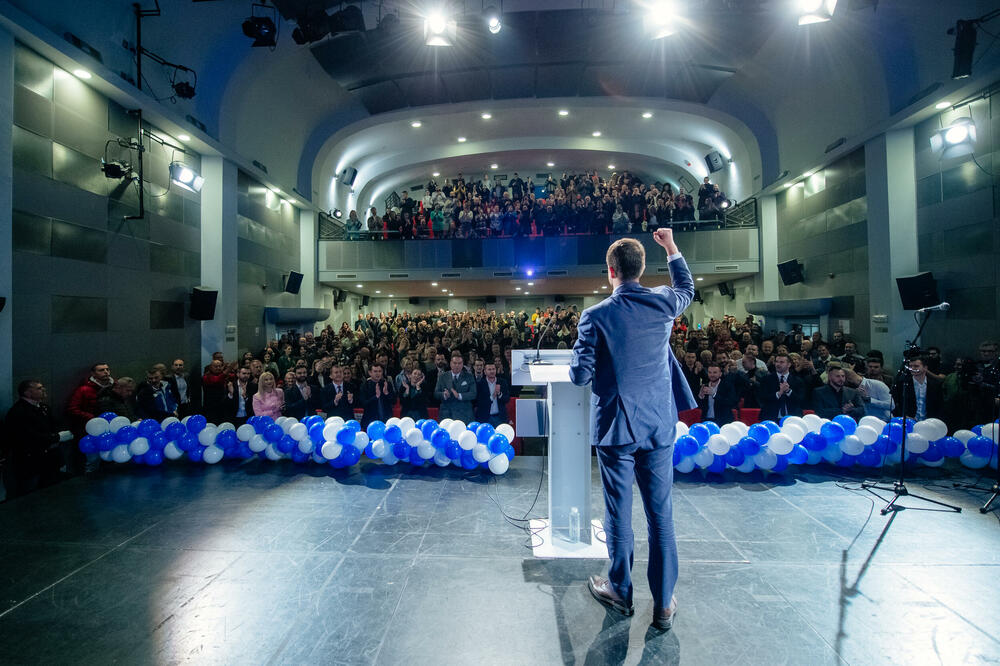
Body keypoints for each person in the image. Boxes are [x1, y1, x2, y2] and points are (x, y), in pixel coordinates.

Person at [569, 229, 695, 632]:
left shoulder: (596, 315)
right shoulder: (663, 302)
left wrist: (581, 351)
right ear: (641, 269)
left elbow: (580, 375)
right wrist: (671, 246)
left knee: (618, 515)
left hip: (617, 429)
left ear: (611, 271)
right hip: (658, 424)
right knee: (661, 516)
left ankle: (620, 590)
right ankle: (663, 604)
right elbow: (687, 287)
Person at [3, 380, 72, 499]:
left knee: (52, 489)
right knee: (31, 492)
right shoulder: (19, 412)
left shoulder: (43, 407)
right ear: (28, 393)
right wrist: (57, 437)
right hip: (31, 460)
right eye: (39, 388)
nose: (44, 390)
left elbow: (55, 423)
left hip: (50, 457)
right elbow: (27, 437)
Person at [892, 356, 944, 421]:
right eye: (910, 366)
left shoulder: (935, 385)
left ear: (925, 368)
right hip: (909, 420)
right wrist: (904, 416)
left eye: (916, 366)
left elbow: (940, 405)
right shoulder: (903, 383)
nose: (912, 368)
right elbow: (896, 403)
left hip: (929, 421)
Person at [756, 352, 805, 421]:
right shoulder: (766, 379)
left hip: (792, 418)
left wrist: (788, 391)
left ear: (789, 364)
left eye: (782, 362)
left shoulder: (798, 381)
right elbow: (762, 398)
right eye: (776, 362)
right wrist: (778, 394)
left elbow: (801, 401)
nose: (778, 364)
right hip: (770, 417)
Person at [435, 352, 477, 423]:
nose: (457, 365)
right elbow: (436, 393)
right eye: (455, 363)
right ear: (451, 364)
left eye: (459, 363)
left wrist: (459, 396)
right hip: (447, 415)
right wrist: (444, 395)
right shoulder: (443, 376)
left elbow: (473, 393)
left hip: (464, 415)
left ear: (463, 364)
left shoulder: (469, 376)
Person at [474, 361, 510, 426]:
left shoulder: (502, 382)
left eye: (493, 369)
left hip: (500, 417)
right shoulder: (480, 384)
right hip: (485, 418)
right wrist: (492, 397)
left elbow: (507, 399)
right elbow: (478, 402)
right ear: (484, 371)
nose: (492, 371)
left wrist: (499, 394)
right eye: (489, 369)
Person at [360, 364, 395, 428]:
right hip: (370, 421)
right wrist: (375, 397)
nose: (378, 373)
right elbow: (363, 404)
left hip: (386, 420)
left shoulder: (386, 384)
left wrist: (387, 393)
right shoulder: (365, 385)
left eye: (380, 371)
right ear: (370, 373)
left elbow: (394, 401)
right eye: (375, 371)